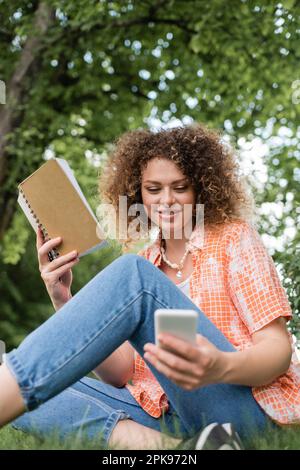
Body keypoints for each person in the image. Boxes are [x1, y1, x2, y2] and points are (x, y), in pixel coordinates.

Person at [0, 123, 299, 450]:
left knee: (133, 274)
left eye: (180, 187)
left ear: (200, 188)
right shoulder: (148, 261)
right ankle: (179, 450)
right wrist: (62, 298)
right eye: (153, 189)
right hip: (162, 415)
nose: (167, 200)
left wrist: (220, 366)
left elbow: (277, 350)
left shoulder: (232, 239)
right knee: (28, 387)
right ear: (137, 194)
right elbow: (120, 373)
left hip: (236, 407)